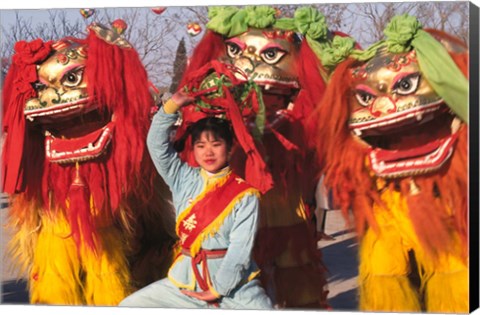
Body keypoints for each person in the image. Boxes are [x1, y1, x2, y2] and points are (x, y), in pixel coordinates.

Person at [119, 91, 273, 309]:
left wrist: (218, 289)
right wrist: (172, 106)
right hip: (185, 282)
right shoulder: (182, 177)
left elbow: (240, 249)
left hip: (235, 287)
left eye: (215, 144)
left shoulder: (245, 195)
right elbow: (156, 145)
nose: (207, 152)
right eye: (200, 146)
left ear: (229, 149)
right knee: (129, 306)